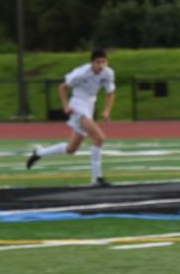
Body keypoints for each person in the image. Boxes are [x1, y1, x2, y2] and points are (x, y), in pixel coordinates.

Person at [25, 48, 116, 186]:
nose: (101, 65)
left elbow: (110, 93)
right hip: (77, 105)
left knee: (71, 149)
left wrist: (107, 111)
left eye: (103, 62)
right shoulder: (81, 73)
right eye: (98, 62)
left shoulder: (108, 73)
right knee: (99, 138)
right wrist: (66, 105)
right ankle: (97, 178)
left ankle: (39, 153)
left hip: (89, 106)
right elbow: (62, 87)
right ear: (92, 62)